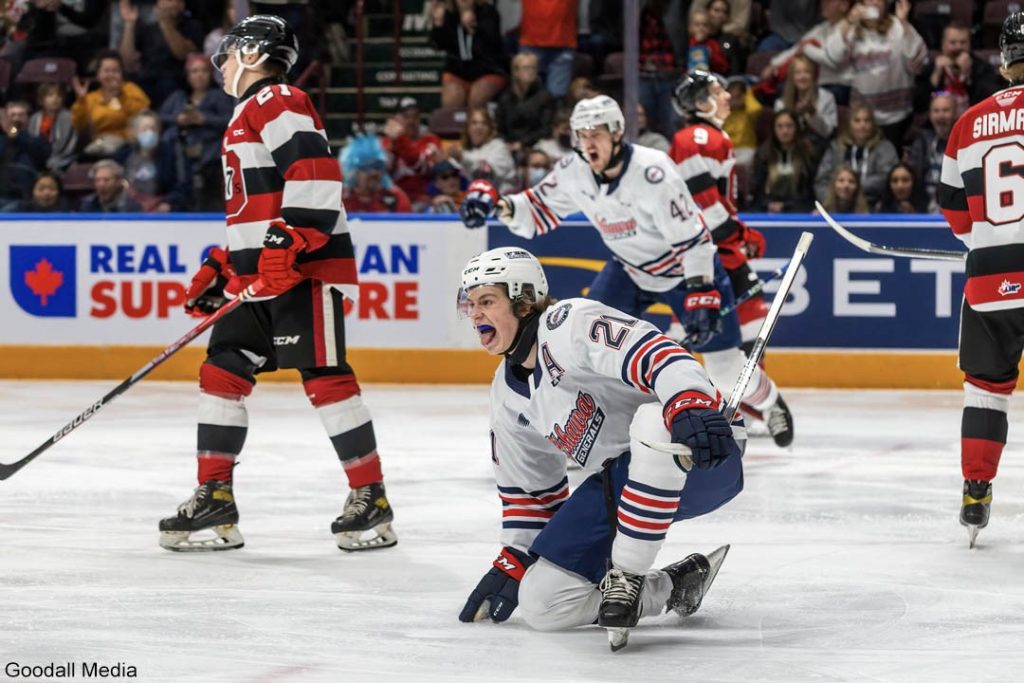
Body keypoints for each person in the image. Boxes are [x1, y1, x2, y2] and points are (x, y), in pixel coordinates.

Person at [158, 15, 397, 553]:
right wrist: (226, 264)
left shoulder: (277, 98)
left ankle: (371, 497)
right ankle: (215, 496)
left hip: (304, 271)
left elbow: (314, 174)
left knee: (324, 375)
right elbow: (257, 204)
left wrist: (289, 244)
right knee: (221, 372)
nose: (222, 63)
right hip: (259, 277)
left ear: (251, 53)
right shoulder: (247, 112)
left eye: (229, 51)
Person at [460, 95, 794, 448]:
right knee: (580, 347)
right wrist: (496, 207)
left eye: (598, 132)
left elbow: (694, 239)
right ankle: (588, 432)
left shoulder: (654, 172)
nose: (589, 141)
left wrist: (701, 291)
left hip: (685, 271)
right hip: (629, 270)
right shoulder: (574, 172)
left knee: (724, 369)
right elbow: (536, 209)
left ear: (617, 132)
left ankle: (771, 403)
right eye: (582, 133)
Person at [456, 246, 737, 647]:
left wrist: (688, 399)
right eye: (471, 304)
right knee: (542, 604)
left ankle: (627, 574)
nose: (476, 314)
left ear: (524, 303)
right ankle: (674, 586)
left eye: (487, 301)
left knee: (653, 422)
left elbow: (658, 353)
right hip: (619, 485)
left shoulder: (568, 323)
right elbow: (532, 495)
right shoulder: (506, 397)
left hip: (701, 448)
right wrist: (515, 559)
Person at [937, 11, 1024, 548]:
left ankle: (975, 491)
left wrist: (985, 243)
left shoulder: (969, 120)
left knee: (986, 392)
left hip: (990, 278)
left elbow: (953, 207)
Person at [668, 73, 776, 380]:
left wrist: (737, 233)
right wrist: (738, 234)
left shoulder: (712, 137)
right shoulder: (694, 138)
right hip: (704, 248)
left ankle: (740, 400)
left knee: (747, 318)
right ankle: (668, 394)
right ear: (701, 103)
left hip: (714, 246)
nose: (727, 96)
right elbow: (701, 202)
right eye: (719, 91)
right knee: (694, 324)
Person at [822, 0, 927, 150]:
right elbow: (833, 58)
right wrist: (848, 21)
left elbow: (918, 62)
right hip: (863, 118)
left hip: (897, 115)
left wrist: (904, 23)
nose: (873, 2)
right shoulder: (851, 29)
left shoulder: (898, 27)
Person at [814, 103, 898, 208]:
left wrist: (854, 187)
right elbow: (821, 181)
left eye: (867, 121)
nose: (862, 125)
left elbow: (887, 177)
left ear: (873, 124)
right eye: (857, 121)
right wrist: (831, 200)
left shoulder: (885, 147)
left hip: (875, 205)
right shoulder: (836, 147)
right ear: (849, 124)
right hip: (838, 207)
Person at [70, 49, 150, 157]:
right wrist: (81, 101)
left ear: (122, 74)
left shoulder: (131, 89)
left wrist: (120, 96)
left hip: (128, 144)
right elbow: (78, 125)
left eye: (115, 71)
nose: (111, 75)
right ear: (98, 75)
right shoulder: (90, 98)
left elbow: (143, 115)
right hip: (100, 144)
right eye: (107, 71)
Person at [429, 0, 507, 109]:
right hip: (458, 70)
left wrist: (474, 27)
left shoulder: (488, 12)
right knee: (451, 102)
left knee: (477, 99)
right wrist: (438, 24)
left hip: (488, 69)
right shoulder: (449, 14)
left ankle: (477, 125)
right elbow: (439, 46)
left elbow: (492, 43)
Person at [916, 23, 1003, 117]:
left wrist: (968, 75)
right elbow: (918, 105)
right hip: (938, 124)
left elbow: (992, 101)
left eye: (963, 42)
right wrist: (935, 76)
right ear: (943, 45)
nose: (958, 47)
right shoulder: (932, 67)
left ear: (970, 44)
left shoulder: (981, 68)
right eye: (953, 43)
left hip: (972, 121)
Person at [749, 109, 819, 213]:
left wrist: (785, 205)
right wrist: (768, 204)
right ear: (773, 129)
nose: (784, 131)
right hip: (767, 207)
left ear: (797, 128)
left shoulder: (808, 154)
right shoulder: (762, 154)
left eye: (789, 126)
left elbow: (809, 190)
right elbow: (757, 189)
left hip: (799, 207)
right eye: (780, 126)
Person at [381, 96, 442, 208]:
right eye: (406, 117)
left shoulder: (431, 141)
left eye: (415, 116)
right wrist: (392, 145)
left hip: (425, 201)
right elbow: (383, 171)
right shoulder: (385, 143)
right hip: (392, 200)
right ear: (395, 120)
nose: (411, 121)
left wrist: (400, 140)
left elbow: (422, 166)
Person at [495, 52, 556, 153]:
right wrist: (506, 142)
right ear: (515, 71)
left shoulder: (545, 97)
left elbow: (546, 129)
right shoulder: (505, 97)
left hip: (534, 145)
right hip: (507, 144)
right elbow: (499, 125)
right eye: (526, 68)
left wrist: (523, 143)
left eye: (533, 68)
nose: (530, 71)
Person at [907, 92, 955, 213]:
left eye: (945, 110)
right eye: (936, 111)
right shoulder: (922, 141)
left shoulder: (964, 141)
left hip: (954, 204)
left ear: (955, 113)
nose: (941, 115)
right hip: (923, 206)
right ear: (930, 115)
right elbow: (915, 176)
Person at [450, 107, 517, 193]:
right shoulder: (465, 150)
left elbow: (486, 173)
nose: (479, 127)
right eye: (474, 123)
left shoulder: (499, 147)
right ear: (467, 128)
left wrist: (462, 158)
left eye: (484, 123)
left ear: (490, 129)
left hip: (501, 199)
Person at [27, 83, 78, 172]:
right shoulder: (34, 118)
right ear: (41, 99)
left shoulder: (68, 117)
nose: (55, 99)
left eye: (59, 95)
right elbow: (31, 141)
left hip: (62, 158)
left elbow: (65, 144)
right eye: (50, 95)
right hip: (37, 156)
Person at [79, 159, 144, 212]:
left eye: (106, 180)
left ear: (118, 181)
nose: (101, 184)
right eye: (97, 180)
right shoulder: (88, 204)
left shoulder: (132, 205)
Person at [1, 171, 72, 212]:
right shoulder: (19, 208)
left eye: (52, 188)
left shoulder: (67, 212)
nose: (46, 193)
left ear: (59, 191)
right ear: (32, 191)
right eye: (41, 189)